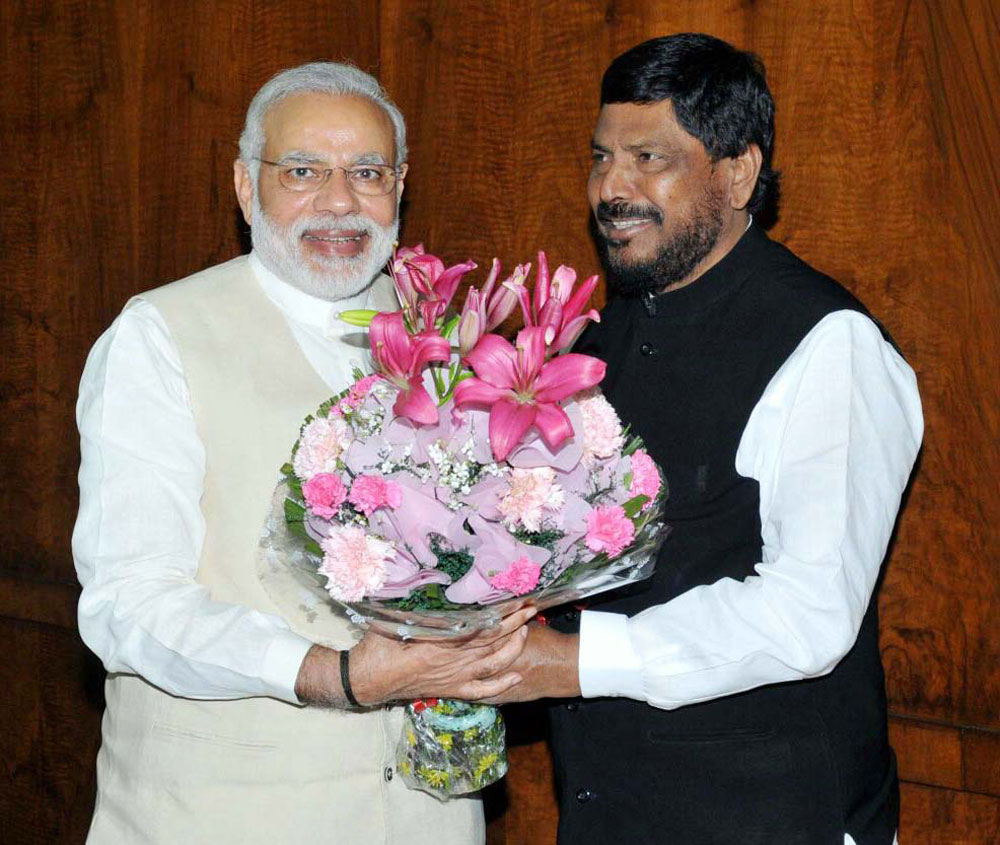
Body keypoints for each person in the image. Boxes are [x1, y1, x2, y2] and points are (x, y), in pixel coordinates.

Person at [72, 62, 531, 844]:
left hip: (429, 814)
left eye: (367, 172)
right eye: (303, 171)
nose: (340, 201)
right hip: (221, 815)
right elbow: (127, 605)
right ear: (247, 188)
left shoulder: (453, 339)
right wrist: (334, 674)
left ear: (401, 185)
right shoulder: (159, 337)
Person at [489, 34, 923, 845]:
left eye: (649, 157)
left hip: (773, 817)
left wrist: (571, 662)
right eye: (601, 157)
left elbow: (809, 613)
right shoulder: (590, 340)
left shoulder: (828, 343)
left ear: (738, 174)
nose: (611, 188)